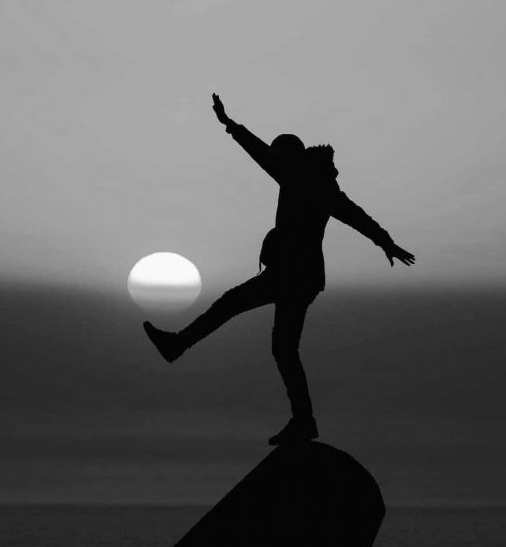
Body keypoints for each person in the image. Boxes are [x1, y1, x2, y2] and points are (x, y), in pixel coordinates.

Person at [144, 93, 415, 445]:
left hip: (292, 275)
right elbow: (354, 214)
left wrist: (386, 242)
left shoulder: (303, 179)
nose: (273, 162)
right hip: (301, 278)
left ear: (287, 158)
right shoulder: (313, 180)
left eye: (277, 157)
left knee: (233, 305)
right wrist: (230, 125)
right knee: (283, 348)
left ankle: (178, 345)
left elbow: (354, 215)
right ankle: (303, 420)